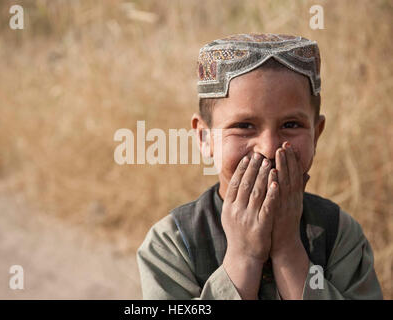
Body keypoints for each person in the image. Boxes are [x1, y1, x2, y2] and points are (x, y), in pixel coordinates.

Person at [136, 33, 383, 300]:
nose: (268, 147)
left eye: (291, 125)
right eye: (244, 126)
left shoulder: (338, 234)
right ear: (204, 137)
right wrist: (244, 257)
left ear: (317, 133)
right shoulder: (173, 242)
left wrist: (289, 251)